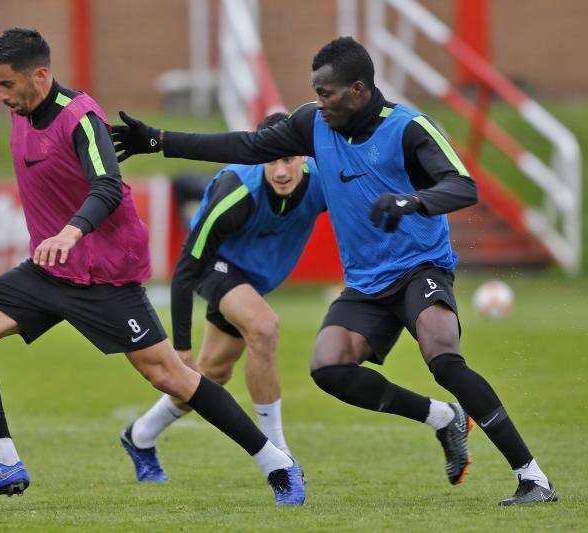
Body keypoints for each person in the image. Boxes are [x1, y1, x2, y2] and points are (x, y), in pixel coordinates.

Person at [111, 36, 556, 506]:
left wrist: (411, 201)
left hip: (419, 268)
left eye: (326, 93)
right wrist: (160, 141)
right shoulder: (312, 125)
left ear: (358, 90)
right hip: (365, 283)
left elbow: (462, 186)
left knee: (442, 357)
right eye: (316, 92)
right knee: (329, 369)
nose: (318, 102)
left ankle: (533, 477)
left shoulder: (408, 127)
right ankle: (445, 419)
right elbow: (246, 145)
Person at [0, 28, 305, 506]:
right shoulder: (23, 111)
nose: (2, 97)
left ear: (40, 76)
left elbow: (108, 187)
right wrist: (59, 242)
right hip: (48, 270)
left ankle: (277, 463)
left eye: (7, 85)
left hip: (103, 275)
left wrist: (71, 232)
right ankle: (4, 462)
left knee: (173, 377)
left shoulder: (82, 118)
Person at [122, 112, 324, 482]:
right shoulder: (235, 191)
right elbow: (185, 269)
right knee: (264, 328)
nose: (280, 171)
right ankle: (280, 454)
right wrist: (181, 348)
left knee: (211, 376)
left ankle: (140, 435)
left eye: (289, 159)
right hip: (212, 268)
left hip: (252, 280)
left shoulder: (321, 182)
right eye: (271, 159)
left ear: (305, 158)